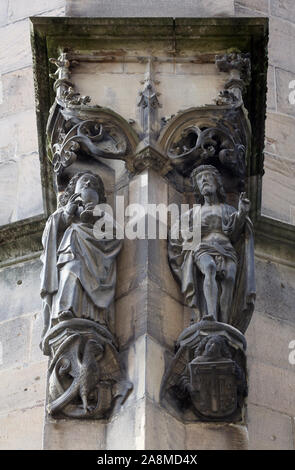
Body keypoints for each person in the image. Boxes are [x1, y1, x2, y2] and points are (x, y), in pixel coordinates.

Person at [168, 165, 255, 332]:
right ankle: (211, 315)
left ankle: (224, 322)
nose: (204, 180)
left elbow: (236, 232)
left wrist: (242, 212)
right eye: (200, 179)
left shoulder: (228, 210)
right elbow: (178, 235)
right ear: (198, 188)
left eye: (208, 177)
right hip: (203, 248)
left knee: (229, 279)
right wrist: (194, 233)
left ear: (217, 183)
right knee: (209, 268)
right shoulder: (194, 213)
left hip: (227, 249)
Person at [40, 171, 122, 345]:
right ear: (73, 190)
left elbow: (115, 236)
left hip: (94, 260)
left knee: (86, 281)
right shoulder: (63, 211)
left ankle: (93, 317)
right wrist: (67, 214)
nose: (88, 185)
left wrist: (97, 218)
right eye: (84, 181)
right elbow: (50, 234)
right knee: (70, 273)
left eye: (93, 184)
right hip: (69, 253)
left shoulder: (103, 215)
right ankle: (65, 311)